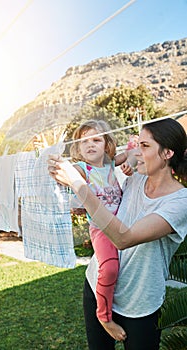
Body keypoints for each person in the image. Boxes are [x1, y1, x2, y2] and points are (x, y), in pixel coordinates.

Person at [48, 117, 187, 350]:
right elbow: (107, 168)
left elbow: (124, 238)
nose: (135, 151)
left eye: (145, 146)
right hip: (97, 286)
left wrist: (77, 185)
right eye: (138, 143)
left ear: (167, 153)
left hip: (139, 305)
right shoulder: (135, 176)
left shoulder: (179, 202)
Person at [69, 119, 134, 341]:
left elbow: (132, 155)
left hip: (121, 223)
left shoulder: (110, 164)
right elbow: (70, 172)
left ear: (106, 144)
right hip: (101, 229)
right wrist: (61, 169)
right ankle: (104, 316)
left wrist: (132, 159)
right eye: (84, 141)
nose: (90, 144)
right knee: (110, 269)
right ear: (77, 148)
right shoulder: (82, 169)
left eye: (96, 139)